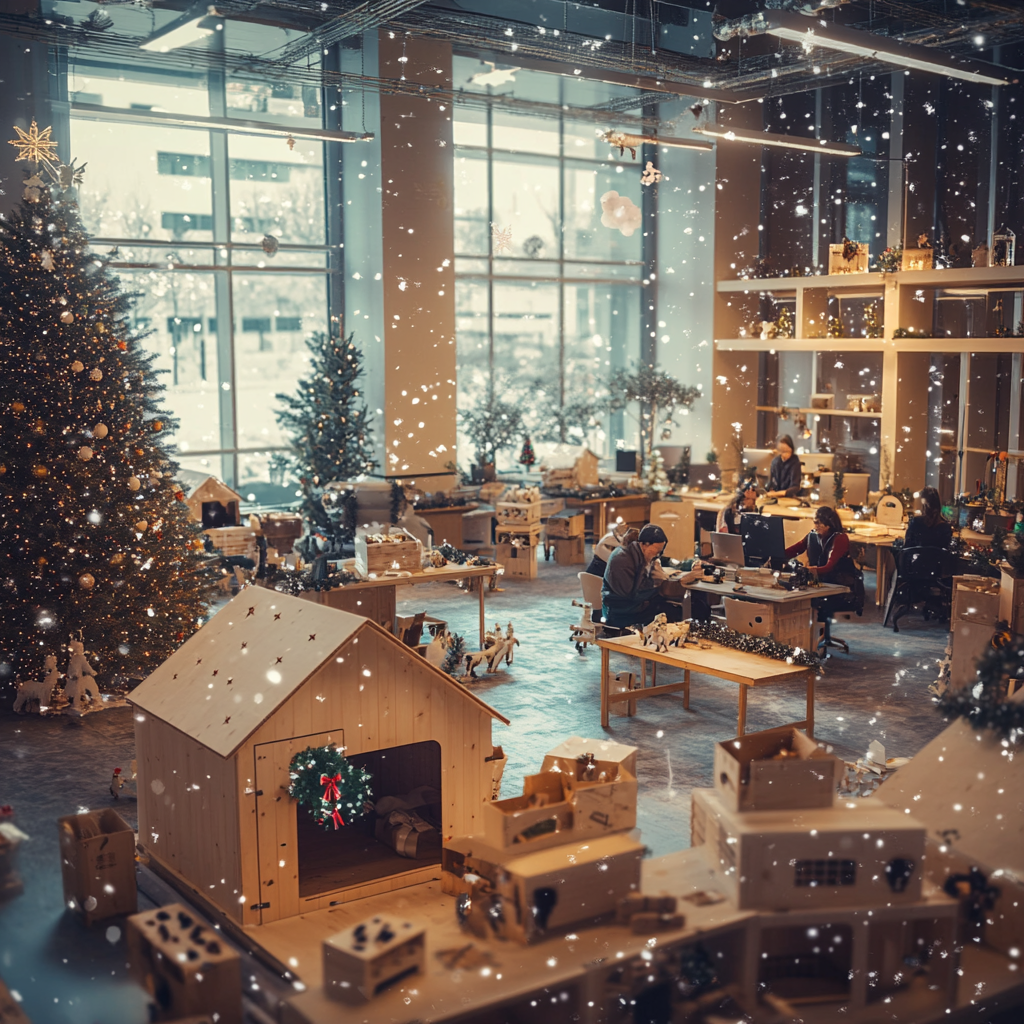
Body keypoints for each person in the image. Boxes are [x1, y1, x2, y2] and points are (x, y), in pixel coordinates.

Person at [602, 524, 710, 628]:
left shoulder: (643, 553)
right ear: (645, 544)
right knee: (676, 612)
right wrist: (678, 583)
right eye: (657, 550)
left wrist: (693, 563)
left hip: (636, 604)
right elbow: (634, 594)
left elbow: (669, 562)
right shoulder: (622, 560)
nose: (658, 554)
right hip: (623, 611)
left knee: (696, 603)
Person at [784, 506, 864, 644]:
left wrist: (809, 570)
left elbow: (829, 566)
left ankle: (815, 641)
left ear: (830, 524)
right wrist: (776, 553)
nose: (817, 526)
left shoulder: (840, 538)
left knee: (813, 599)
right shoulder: (812, 536)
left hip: (840, 585)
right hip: (820, 582)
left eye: (820, 523)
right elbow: (794, 550)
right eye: (815, 522)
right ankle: (811, 639)